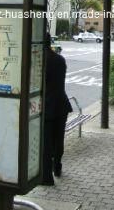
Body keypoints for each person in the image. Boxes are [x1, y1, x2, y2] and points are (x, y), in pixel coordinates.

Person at [42, 33, 72, 185]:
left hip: (46, 107)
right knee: (58, 139)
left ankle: (47, 177)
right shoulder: (60, 59)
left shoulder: (39, 60)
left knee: (46, 142)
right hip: (62, 104)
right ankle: (57, 166)